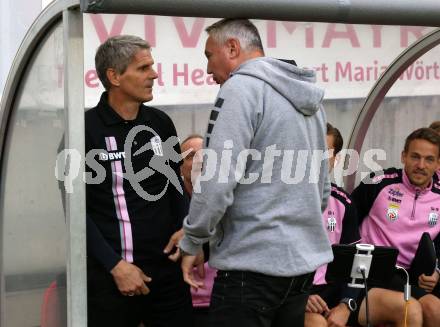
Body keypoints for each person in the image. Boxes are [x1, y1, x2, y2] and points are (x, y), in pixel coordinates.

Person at [179, 18, 333, 327]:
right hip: (301, 268)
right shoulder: (309, 96)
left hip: (251, 269)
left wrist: (193, 241)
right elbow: (322, 187)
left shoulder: (240, 88)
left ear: (232, 48)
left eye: (209, 55)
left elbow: (217, 181)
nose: (208, 69)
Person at [85, 35, 192, 327]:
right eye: (143, 68)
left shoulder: (160, 123)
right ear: (114, 76)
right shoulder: (84, 130)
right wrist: (115, 266)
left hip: (167, 275)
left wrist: (186, 228)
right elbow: (75, 213)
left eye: (152, 67)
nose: (154, 74)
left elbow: (175, 186)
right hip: (113, 279)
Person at [351, 127, 440, 327]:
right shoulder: (378, 182)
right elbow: (345, 221)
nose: (421, 165)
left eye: (429, 159)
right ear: (403, 157)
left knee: (435, 309)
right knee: (414, 310)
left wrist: (437, 271)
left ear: (438, 163)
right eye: (415, 157)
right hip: (371, 272)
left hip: (411, 275)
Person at [305, 123, 361, 327]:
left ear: (335, 160)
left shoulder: (344, 202)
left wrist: (346, 304)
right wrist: (299, 296)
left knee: (408, 308)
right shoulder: (277, 197)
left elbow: (356, 263)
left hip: (330, 292)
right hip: (290, 295)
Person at [180, 134, 217, 327]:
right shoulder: (165, 206)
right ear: (179, 166)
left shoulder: (230, 204)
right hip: (180, 304)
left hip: (222, 302)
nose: (199, 160)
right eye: (190, 155)